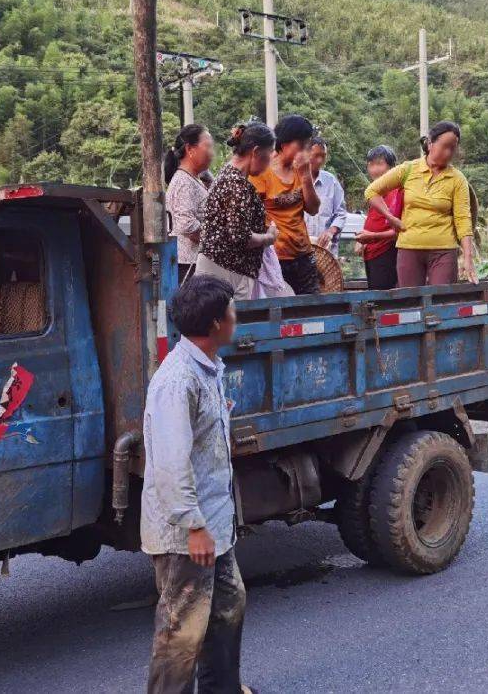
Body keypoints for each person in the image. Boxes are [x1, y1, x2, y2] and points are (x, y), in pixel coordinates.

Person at [142, 275, 253, 694]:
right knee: (181, 633)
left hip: (213, 526)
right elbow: (171, 465)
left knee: (228, 606)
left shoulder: (206, 367)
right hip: (188, 534)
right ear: (214, 325)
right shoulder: (178, 381)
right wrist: (194, 526)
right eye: (231, 312)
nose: (235, 317)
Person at [363, 120, 477, 287]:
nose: (449, 153)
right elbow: (371, 192)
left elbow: (463, 220)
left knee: (440, 302)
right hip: (409, 248)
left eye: (453, 148)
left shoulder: (457, 179)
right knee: (410, 304)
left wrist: (468, 258)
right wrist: (390, 217)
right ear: (430, 143)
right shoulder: (408, 169)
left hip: (443, 251)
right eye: (445, 146)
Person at [195, 123, 278, 300]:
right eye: (269, 154)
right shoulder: (236, 184)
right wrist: (269, 237)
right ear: (255, 152)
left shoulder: (228, 175)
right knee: (228, 326)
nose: (270, 163)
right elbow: (241, 238)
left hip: (220, 272)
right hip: (226, 274)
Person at [250, 114, 321, 294]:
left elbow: (313, 209)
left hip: (303, 253)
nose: (306, 150)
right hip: (275, 256)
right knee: (281, 311)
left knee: (311, 310)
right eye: (301, 144)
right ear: (284, 143)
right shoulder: (262, 172)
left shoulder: (302, 170)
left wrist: (306, 176)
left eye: (307, 145)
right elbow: (253, 214)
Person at [165, 124, 214, 284]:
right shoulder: (184, 182)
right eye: (208, 147)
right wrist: (219, 239)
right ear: (190, 150)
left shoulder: (193, 179)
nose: (212, 153)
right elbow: (187, 226)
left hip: (195, 263)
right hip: (188, 266)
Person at [355, 145, 402, 290]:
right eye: (371, 165)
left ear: (392, 167)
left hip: (387, 254)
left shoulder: (396, 193)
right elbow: (374, 222)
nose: (374, 169)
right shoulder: (375, 192)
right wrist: (362, 241)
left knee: (384, 302)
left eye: (379, 164)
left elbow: (400, 231)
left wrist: (373, 237)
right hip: (371, 254)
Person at [303, 137, 348, 256]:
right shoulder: (295, 180)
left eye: (323, 156)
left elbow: (341, 213)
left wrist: (330, 231)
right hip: (300, 250)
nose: (320, 160)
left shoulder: (331, 181)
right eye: (316, 155)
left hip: (326, 252)